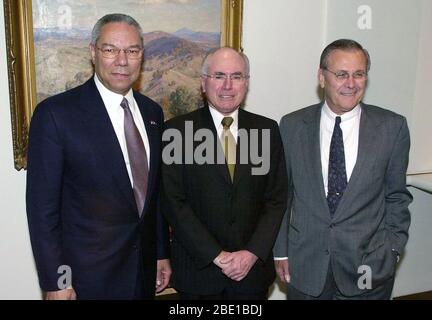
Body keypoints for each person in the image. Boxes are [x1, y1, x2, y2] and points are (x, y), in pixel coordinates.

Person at [26, 13, 171, 300]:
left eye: (132, 51)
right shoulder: (55, 115)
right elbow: (43, 211)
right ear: (93, 53)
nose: (122, 60)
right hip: (85, 281)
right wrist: (57, 281)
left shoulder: (153, 113)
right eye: (110, 49)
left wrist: (159, 254)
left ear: (142, 55)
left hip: (142, 275)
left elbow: (152, 197)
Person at [274, 39, 412, 300]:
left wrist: (392, 250)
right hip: (305, 266)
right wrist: (281, 251)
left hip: (368, 270)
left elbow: (396, 196)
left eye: (359, 74)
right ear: (321, 77)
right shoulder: (292, 126)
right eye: (341, 74)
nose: (351, 83)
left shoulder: (392, 127)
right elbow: (283, 195)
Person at [161, 47, 288, 300]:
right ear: (203, 82)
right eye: (219, 76)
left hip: (251, 275)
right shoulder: (176, 131)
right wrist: (216, 256)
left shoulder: (267, 129)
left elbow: (276, 199)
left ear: (247, 83)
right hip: (198, 274)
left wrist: (251, 253)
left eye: (237, 76)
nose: (228, 86)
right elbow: (173, 202)